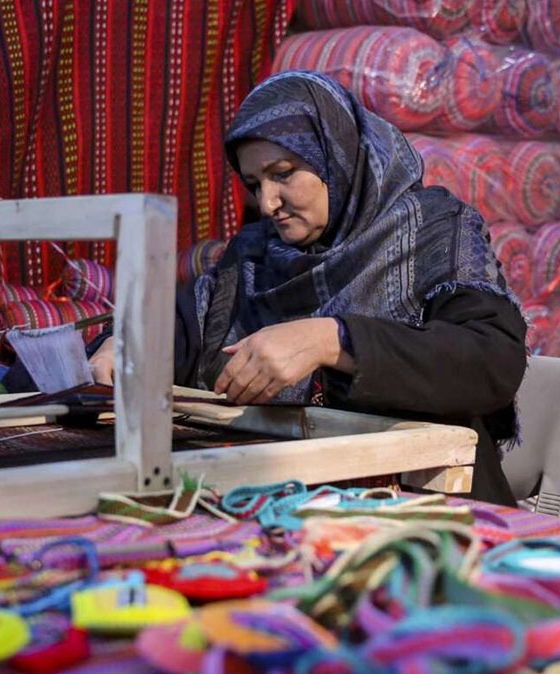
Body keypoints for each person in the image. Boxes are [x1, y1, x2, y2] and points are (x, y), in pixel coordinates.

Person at [88, 70, 527, 506]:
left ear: (336, 155)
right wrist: (125, 344)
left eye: (283, 173)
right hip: (283, 502)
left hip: (423, 503)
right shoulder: (257, 255)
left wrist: (332, 340)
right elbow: (184, 326)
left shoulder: (432, 232)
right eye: (255, 184)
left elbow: (491, 358)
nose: (268, 203)